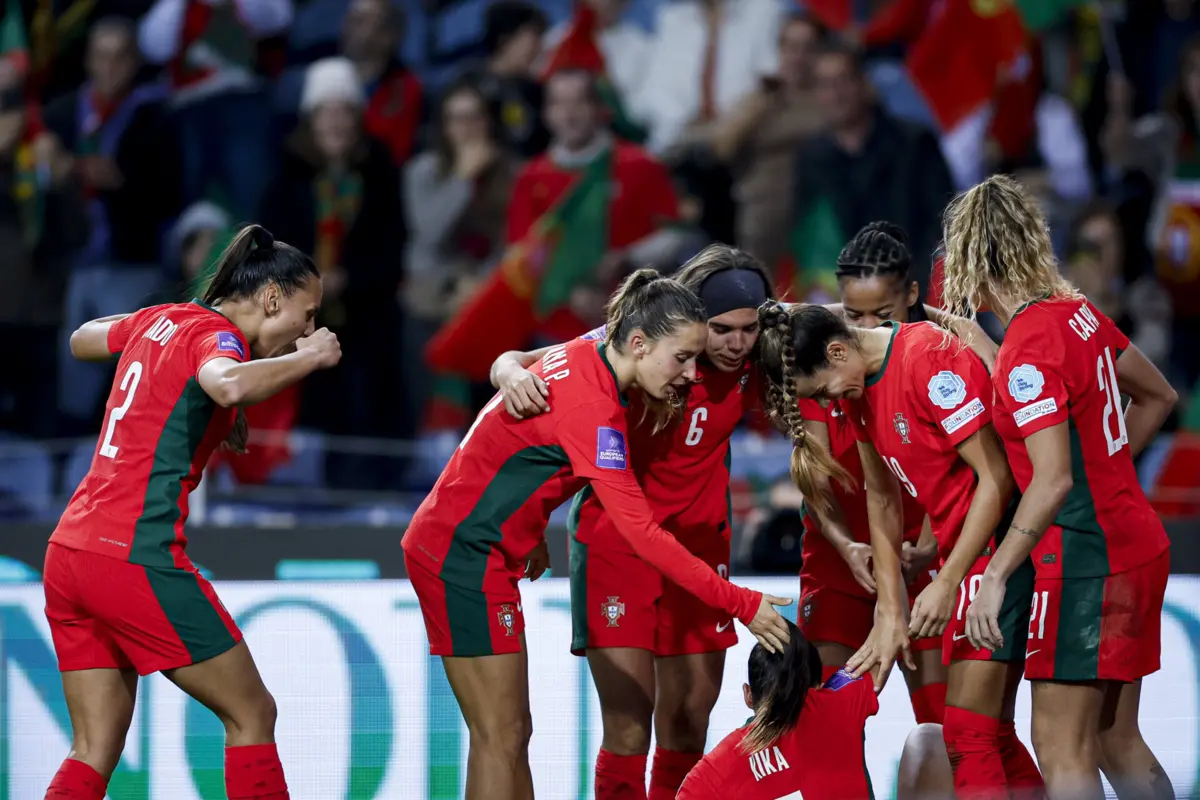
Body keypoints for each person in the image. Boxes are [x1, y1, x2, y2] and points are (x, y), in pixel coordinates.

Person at [402, 269, 791, 800]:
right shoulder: (597, 411)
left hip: (479, 549)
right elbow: (642, 534)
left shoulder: (593, 352)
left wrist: (530, 523)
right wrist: (743, 603)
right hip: (461, 555)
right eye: (682, 358)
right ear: (639, 343)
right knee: (500, 735)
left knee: (511, 734)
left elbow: (515, 449)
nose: (690, 374)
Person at [42, 225, 340, 800]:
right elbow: (226, 386)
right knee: (251, 713)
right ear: (271, 298)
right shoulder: (219, 336)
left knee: (92, 748)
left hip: (69, 552)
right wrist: (309, 357)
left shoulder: (164, 319)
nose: (309, 328)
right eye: (306, 314)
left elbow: (82, 337)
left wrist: (142, 336)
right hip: (131, 555)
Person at [943, 175, 1178, 799]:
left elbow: (1051, 481)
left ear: (970, 258)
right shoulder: (1076, 315)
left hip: (1082, 559)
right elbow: (1157, 397)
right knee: (1115, 740)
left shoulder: (1028, 351)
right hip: (1135, 542)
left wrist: (995, 576)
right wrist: (1110, 464)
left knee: (1060, 745)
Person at [755, 301, 1046, 799]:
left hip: (999, 550)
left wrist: (948, 580)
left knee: (968, 735)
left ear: (838, 349)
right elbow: (882, 495)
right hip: (965, 555)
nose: (828, 401)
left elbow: (997, 477)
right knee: (989, 733)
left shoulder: (926, 360)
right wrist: (889, 609)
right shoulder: (855, 387)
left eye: (823, 387)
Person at [794, 222, 952, 725]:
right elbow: (815, 478)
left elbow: (962, 470)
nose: (864, 327)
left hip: (920, 563)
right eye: (851, 313)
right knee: (827, 724)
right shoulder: (820, 361)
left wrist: (927, 543)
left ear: (911, 295)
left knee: (941, 723)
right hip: (840, 564)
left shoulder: (937, 356)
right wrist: (845, 545)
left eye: (882, 315)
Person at [675, 621, 878, 799]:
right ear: (816, 688)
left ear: (748, 695)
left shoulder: (709, 776)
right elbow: (886, 639)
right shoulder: (839, 704)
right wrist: (891, 598)